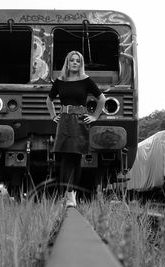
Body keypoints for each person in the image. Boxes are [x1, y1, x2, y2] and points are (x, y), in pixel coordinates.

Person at [46, 51, 106, 207]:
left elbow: (101, 99)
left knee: (76, 157)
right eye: (72, 60)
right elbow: (49, 99)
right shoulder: (60, 81)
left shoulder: (86, 81)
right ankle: (67, 194)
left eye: (77, 61)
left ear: (81, 63)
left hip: (80, 120)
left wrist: (95, 116)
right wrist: (53, 116)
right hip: (64, 120)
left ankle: (72, 194)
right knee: (65, 158)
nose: (74, 63)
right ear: (67, 62)